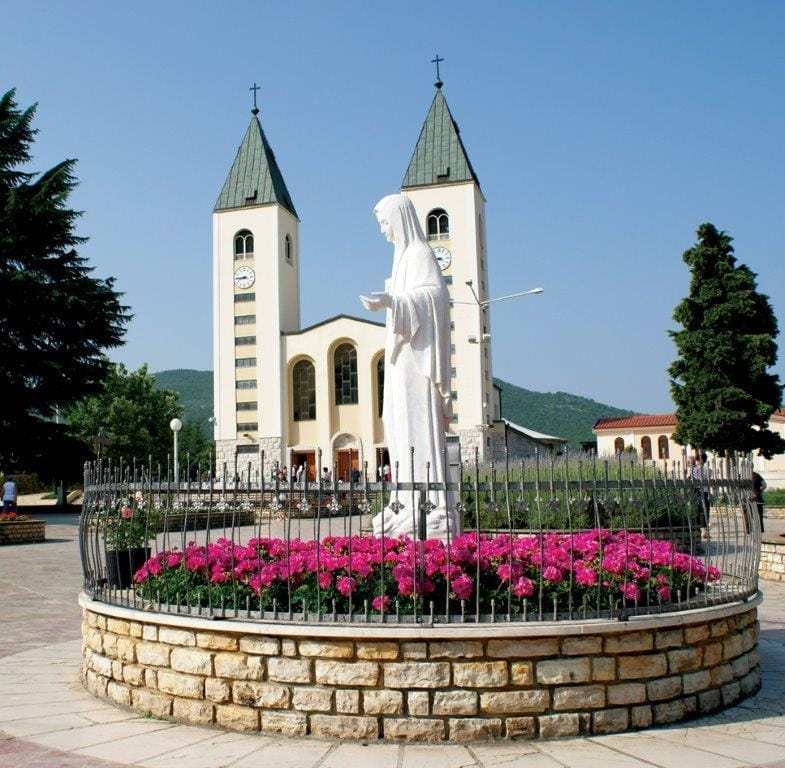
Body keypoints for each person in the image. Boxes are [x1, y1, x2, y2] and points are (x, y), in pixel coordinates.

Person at [360, 193, 457, 539]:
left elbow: (435, 297)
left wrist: (392, 301)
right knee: (396, 423)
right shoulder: (401, 258)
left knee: (416, 426)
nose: (384, 231)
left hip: (417, 362)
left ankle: (430, 505)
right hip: (400, 360)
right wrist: (389, 301)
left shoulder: (419, 254)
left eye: (385, 223)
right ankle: (404, 501)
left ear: (400, 221)